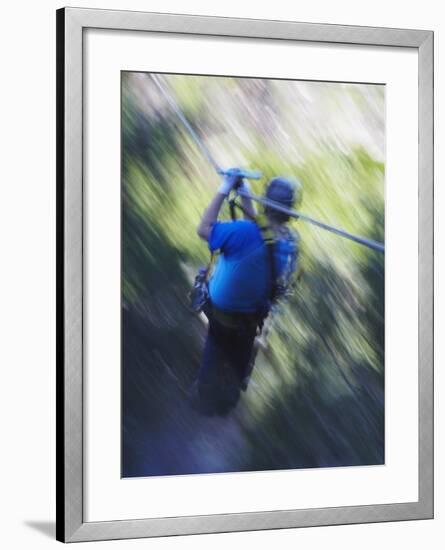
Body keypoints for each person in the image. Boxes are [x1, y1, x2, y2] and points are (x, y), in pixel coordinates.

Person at [191, 169, 301, 416]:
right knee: (238, 360)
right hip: (249, 320)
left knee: (214, 351)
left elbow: (203, 228)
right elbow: (263, 236)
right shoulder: (291, 244)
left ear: (267, 204)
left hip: (221, 315)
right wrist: (245, 194)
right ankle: (227, 403)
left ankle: (204, 399)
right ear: (290, 211)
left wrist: (224, 188)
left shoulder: (243, 233)